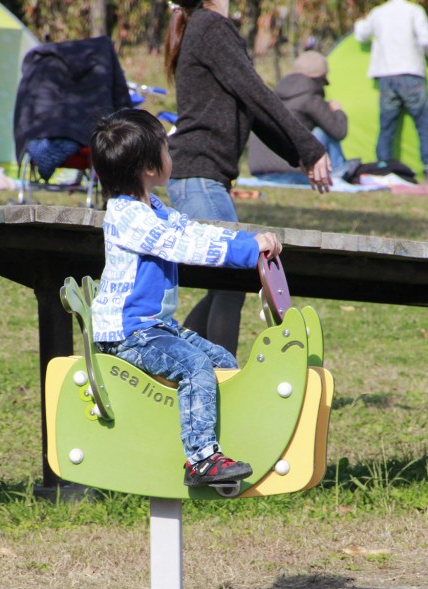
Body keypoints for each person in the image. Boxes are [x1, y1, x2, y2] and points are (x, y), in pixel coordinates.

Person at [89, 108, 283, 488]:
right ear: (149, 166)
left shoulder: (155, 209)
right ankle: (201, 461)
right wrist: (246, 252)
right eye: (166, 148)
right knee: (194, 364)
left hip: (155, 329)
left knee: (222, 360)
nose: (170, 155)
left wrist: (249, 242)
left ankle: (220, 442)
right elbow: (183, 245)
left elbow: (196, 232)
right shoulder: (129, 217)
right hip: (128, 334)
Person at [163, 0, 331, 357]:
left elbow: (251, 105)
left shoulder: (204, 27)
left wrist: (299, 152)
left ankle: (173, 369)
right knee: (230, 281)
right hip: (199, 174)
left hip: (199, 175)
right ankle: (220, 375)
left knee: (225, 284)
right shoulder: (211, 27)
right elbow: (258, 93)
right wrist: (310, 147)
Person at [354, 0, 428, 180]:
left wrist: (359, 23)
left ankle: (383, 168)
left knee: (386, 126)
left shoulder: (378, 13)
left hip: (386, 75)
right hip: (411, 74)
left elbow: (361, 35)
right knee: (424, 123)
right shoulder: (415, 11)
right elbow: (426, 41)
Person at [248, 50, 349, 185]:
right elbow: (339, 131)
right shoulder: (309, 98)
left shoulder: (274, 96)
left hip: (261, 173)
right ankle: (338, 174)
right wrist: (337, 111)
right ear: (320, 78)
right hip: (293, 172)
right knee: (323, 132)